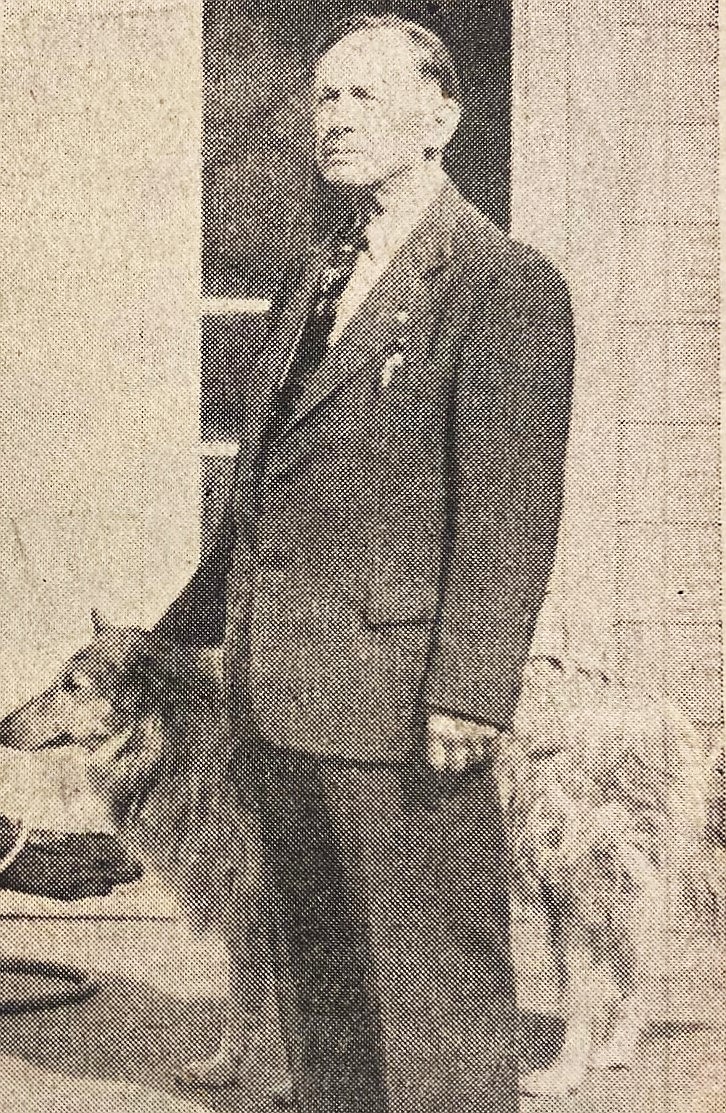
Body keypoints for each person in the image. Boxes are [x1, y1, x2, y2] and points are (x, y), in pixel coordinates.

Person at [156, 14, 575, 1112]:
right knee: (328, 995)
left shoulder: (501, 284)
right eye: (323, 98)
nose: (332, 118)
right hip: (281, 695)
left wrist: (471, 695)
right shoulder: (314, 277)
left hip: (402, 711)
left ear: (439, 119)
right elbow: (266, 492)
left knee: (430, 994)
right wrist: (168, 645)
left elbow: (510, 511)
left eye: (363, 97)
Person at [0, 813, 142, 899]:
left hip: (15, 851)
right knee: (65, 873)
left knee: (65, 870)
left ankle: (107, 861)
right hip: (14, 857)